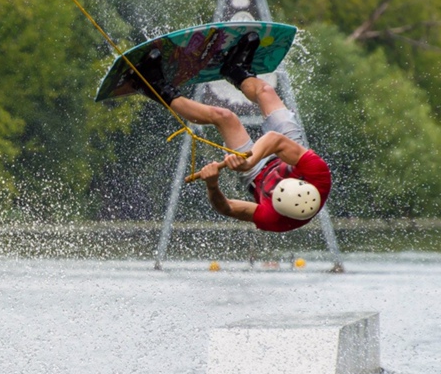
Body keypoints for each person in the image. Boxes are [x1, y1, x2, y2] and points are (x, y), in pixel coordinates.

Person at [127, 32, 332, 232]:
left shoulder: (273, 219)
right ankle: (236, 70)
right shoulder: (319, 175)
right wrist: (248, 161)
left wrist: (213, 185)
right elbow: (275, 140)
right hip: (285, 151)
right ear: (302, 182)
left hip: (256, 174)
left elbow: (228, 208)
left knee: (224, 117)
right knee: (266, 92)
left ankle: (152, 86)